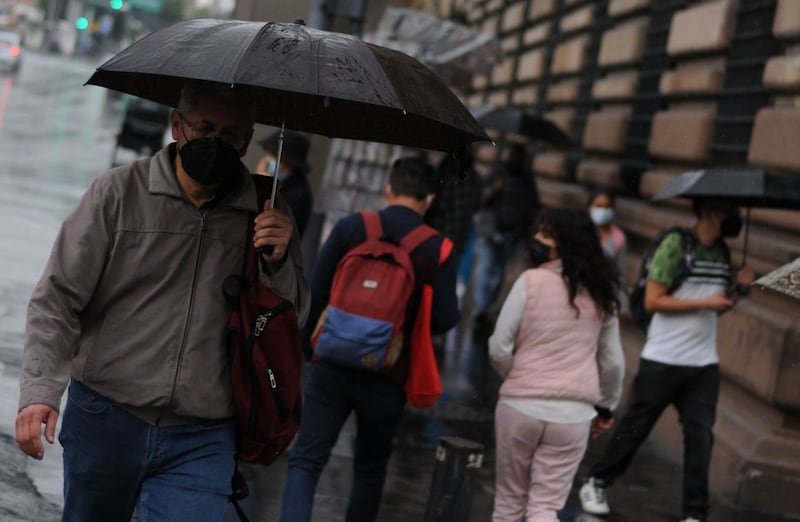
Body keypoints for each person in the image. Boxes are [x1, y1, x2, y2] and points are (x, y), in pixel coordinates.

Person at [15, 79, 309, 522]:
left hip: (203, 434)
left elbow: (292, 321)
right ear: (177, 125)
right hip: (106, 418)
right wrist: (40, 391)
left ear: (248, 140)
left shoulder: (266, 213)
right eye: (205, 127)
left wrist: (279, 261)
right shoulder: (117, 194)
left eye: (231, 135)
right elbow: (57, 298)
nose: (216, 142)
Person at [280, 156, 460, 522]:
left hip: (330, 364)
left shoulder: (352, 227)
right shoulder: (437, 248)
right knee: (370, 471)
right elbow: (445, 317)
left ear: (388, 189)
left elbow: (316, 290)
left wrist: (309, 350)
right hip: (387, 376)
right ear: (428, 200)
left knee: (306, 461)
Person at [579, 199, 754, 522]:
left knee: (700, 436)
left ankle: (695, 514)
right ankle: (596, 481)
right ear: (709, 211)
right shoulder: (676, 244)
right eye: (730, 210)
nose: (736, 218)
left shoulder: (723, 253)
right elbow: (653, 299)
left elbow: (716, 305)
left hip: (703, 364)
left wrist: (738, 292)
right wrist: (706, 301)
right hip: (663, 358)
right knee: (636, 427)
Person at [489, 208, 625, 522]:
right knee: (545, 507)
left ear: (564, 243)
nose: (537, 239)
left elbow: (499, 347)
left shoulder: (530, 281)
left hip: (520, 405)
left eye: (546, 234)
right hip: (573, 415)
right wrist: (606, 407)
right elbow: (614, 363)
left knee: (508, 505)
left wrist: (518, 377)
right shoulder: (602, 293)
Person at [471, 142, 538, 325]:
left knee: (498, 272)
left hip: (511, 234)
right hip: (489, 231)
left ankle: (487, 306)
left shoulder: (527, 181)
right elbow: (481, 199)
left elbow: (532, 208)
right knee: (487, 266)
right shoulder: (496, 173)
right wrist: (495, 189)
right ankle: (480, 307)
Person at [255, 129, 314, 237]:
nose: (265, 162)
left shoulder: (296, 195)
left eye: (270, 158)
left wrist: (263, 185)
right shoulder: (287, 184)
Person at [587, 189, 630, 317]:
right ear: (589, 207)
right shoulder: (580, 232)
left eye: (607, 206)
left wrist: (623, 307)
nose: (603, 210)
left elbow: (621, 273)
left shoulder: (618, 238)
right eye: (599, 206)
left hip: (605, 297)